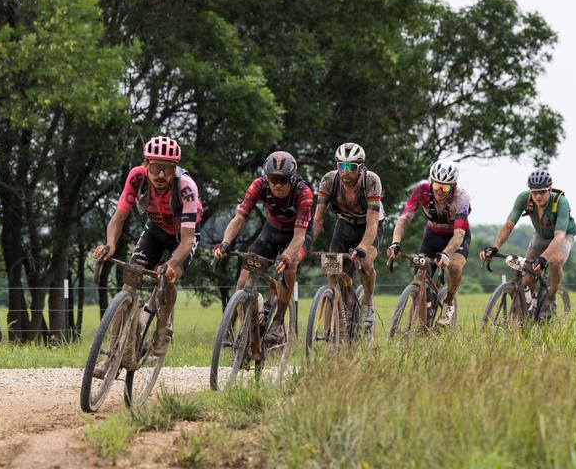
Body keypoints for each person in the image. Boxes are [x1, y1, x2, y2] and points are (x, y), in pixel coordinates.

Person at [93, 136, 203, 362]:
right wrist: (110, 243)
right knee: (130, 281)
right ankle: (113, 353)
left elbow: (188, 240)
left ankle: (162, 332)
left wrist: (170, 265)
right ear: (146, 165)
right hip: (155, 229)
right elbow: (119, 217)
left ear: (175, 168)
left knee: (169, 277)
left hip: (183, 236)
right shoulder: (136, 176)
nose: (161, 175)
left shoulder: (186, 188)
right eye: (155, 167)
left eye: (168, 168)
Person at [214, 151, 313, 345]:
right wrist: (225, 243)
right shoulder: (259, 185)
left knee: (290, 265)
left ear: (292, 179)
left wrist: (285, 256)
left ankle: (278, 322)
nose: (277, 184)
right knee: (244, 278)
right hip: (271, 230)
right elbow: (239, 218)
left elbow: (299, 236)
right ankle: (248, 334)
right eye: (273, 179)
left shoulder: (304, 193)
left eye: (283, 180)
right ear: (267, 177)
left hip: (298, 235)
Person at [479, 169, 576, 317]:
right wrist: (495, 247)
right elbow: (508, 226)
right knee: (528, 274)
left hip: (563, 235)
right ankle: (528, 310)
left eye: (542, 192)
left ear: (549, 189)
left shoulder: (561, 202)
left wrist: (544, 258)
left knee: (555, 262)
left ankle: (552, 293)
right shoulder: (524, 199)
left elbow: (559, 237)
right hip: (541, 235)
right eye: (534, 192)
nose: (538, 196)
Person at [386, 160, 471, 326]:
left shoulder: (461, 196)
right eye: (437, 185)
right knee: (419, 274)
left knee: (454, 266)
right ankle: (418, 315)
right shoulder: (422, 191)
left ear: (453, 187)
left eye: (445, 188)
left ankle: (449, 302)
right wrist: (395, 242)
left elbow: (459, 233)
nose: (439, 191)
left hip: (456, 237)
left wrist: (446, 254)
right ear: (431, 182)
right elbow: (403, 220)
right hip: (432, 235)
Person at [312, 143, 384, 336]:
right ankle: (330, 332)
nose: (345, 172)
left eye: (350, 167)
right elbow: (318, 220)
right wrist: (305, 244)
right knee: (331, 271)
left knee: (367, 261)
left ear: (360, 167)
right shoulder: (328, 180)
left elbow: (372, 225)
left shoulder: (371, 181)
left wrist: (362, 247)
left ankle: (367, 301)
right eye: (341, 166)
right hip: (344, 224)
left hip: (369, 225)